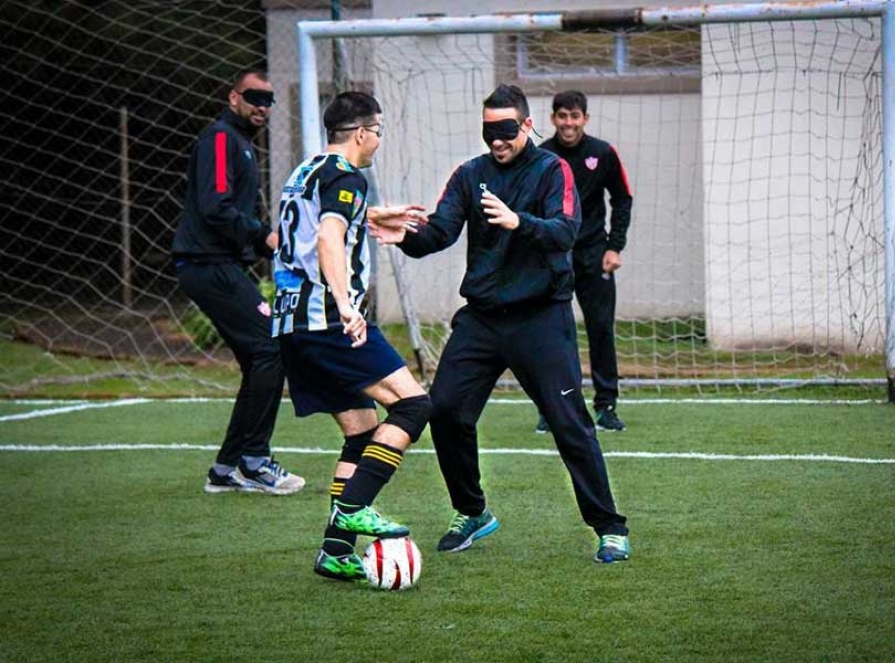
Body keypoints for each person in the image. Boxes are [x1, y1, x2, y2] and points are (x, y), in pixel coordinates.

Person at [377, 84, 630, 563]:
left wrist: (520, 222)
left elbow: (566, 232)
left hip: (541, 320)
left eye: (507, 131)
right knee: (446, 410)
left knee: (568, 423)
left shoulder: (553, 170)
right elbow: (441, 231)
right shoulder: (470, 175)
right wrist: (406, 235)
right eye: (489, 131)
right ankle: (471, 510)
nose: (497, 141)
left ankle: (609, 527)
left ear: (528, 126)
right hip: (482, 320)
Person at [271, 91, 432, 581]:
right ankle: (354, 508)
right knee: (414, 405)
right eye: (378, 130)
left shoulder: (308, 171)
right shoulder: (347, 176)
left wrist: (378, 215)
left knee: (361, 431)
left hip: (291, 323)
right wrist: (345, 304)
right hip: (327, 320)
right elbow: (326, 236)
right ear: (362, 132)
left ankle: (335, 552)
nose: (379, 139)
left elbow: (310, 226)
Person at [172, 69, 304, 496]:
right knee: (271, 346)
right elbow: (216, 208)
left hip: (217, 263)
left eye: (269, 100)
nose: (263, 106)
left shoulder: (243, 144)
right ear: (234, 97)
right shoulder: (221, 139)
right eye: (254, 98)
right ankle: (254, 461)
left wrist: (273, 246)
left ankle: (227, 469)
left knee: (258, 359)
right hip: (206, 264)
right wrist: (264, 235)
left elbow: (231, 218)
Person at [535, 90, 633, 435]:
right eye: (562, 116)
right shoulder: (541, 156)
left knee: (600, 329)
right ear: (553, 119)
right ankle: (552, 408)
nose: (568, 123)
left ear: (585, 119)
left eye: (575, 116)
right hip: (554, 256)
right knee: (552, 333)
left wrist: (614, 247)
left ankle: (606, 406)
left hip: (594, 254)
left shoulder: (602, 153)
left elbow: (622, 199)